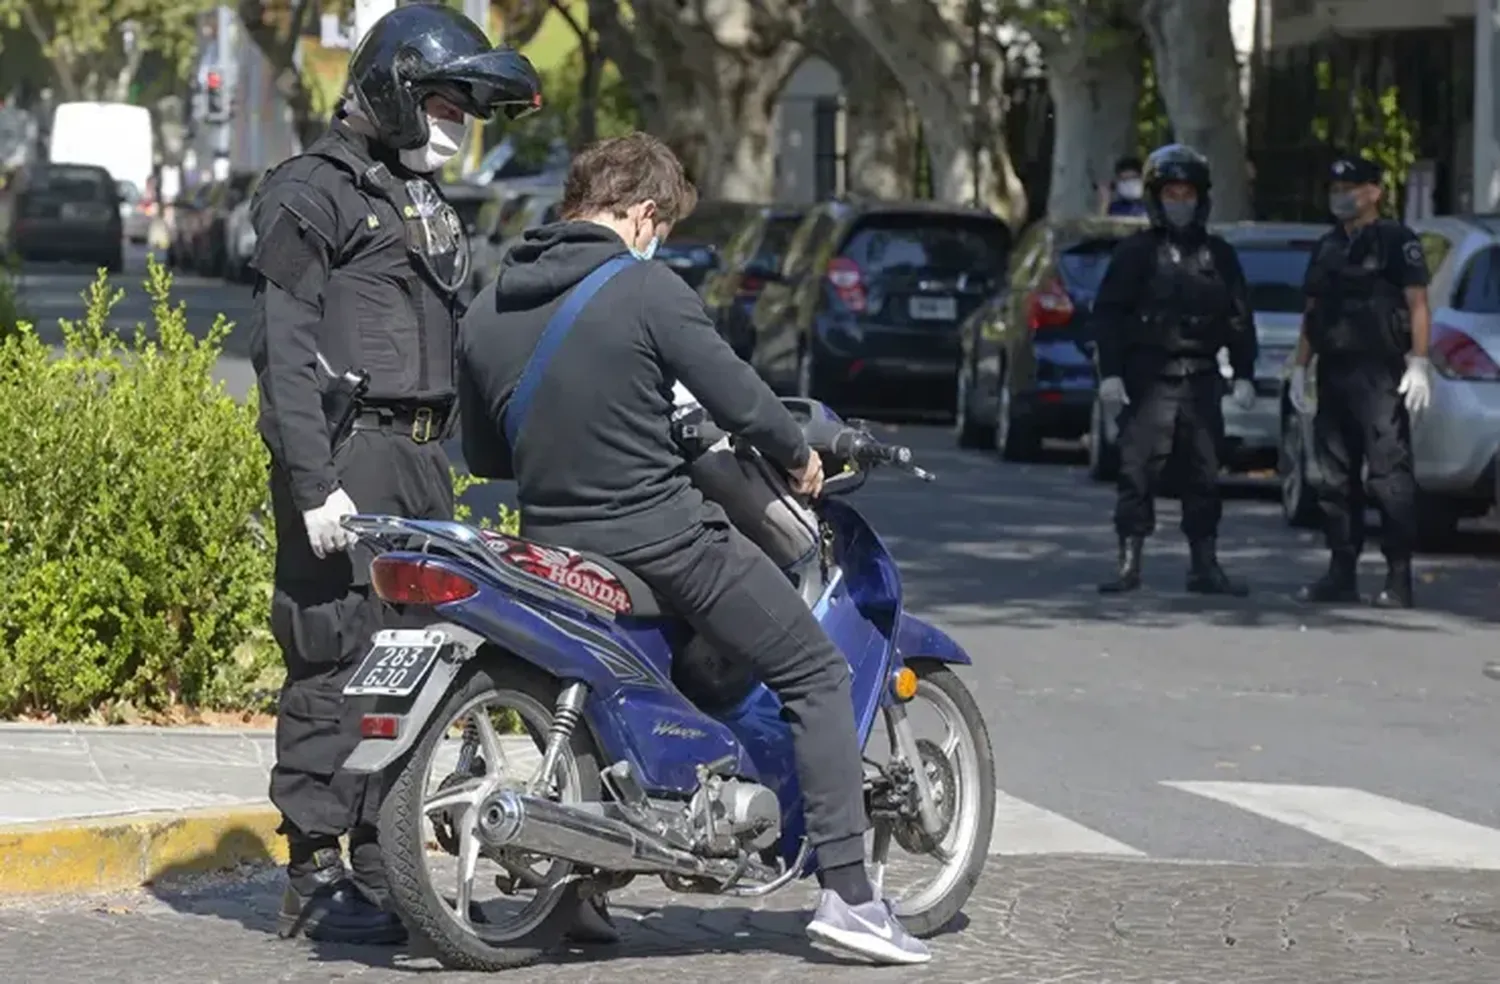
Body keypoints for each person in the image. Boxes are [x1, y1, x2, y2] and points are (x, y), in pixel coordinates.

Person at [457, 132, 932, 965]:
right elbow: (739, 398)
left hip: (555, 550)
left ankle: (578, 893)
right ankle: (853, 900)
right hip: (664, 540)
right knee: (815, 671)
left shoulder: (491, 304)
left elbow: (488, 457)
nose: (658, 240)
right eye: (660, 226)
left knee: (612, 696)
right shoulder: (646, 289)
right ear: (641, 215)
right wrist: (798, 455)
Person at [245, 4, 544, 945]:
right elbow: (283, 356)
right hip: (348, 456)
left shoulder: (427, 203)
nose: (458, 120)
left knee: (412, 661)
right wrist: (310, 485)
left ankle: (378, 845)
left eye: (468, 105)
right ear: (395, 93)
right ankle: (315, 863)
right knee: (334, 649)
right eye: (445, 100)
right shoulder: (311, 191)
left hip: (421, 460)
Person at [1093, 144, 1259, 595]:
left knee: (1204, 473)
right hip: (1149, 377)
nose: (1180, 202)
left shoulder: (1220, 256)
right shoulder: (1135, 253)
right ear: (1156, 197)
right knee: (1137, 471)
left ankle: (1204, 563)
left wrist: (1244, 372)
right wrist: (1109, 373)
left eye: (1188, 193)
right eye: (1172, 193)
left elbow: (1239, 318)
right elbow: (1108, 315)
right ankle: (1129, 562)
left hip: (1203, 379)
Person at [1289, 154, 1430, 609]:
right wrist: (1299, 367)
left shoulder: (1396, 240)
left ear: (1374, 192)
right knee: (1334, 480)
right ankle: (1341, 571)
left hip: (1379, 374)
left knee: (1390, 477)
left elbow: (1418, 304)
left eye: (1350, 187)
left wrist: (1420, 362)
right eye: (1334, 189)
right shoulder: (1327, 246)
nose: (1341, 196)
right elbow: (1312, 313)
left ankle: (1398, 576)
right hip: (1333, 371)